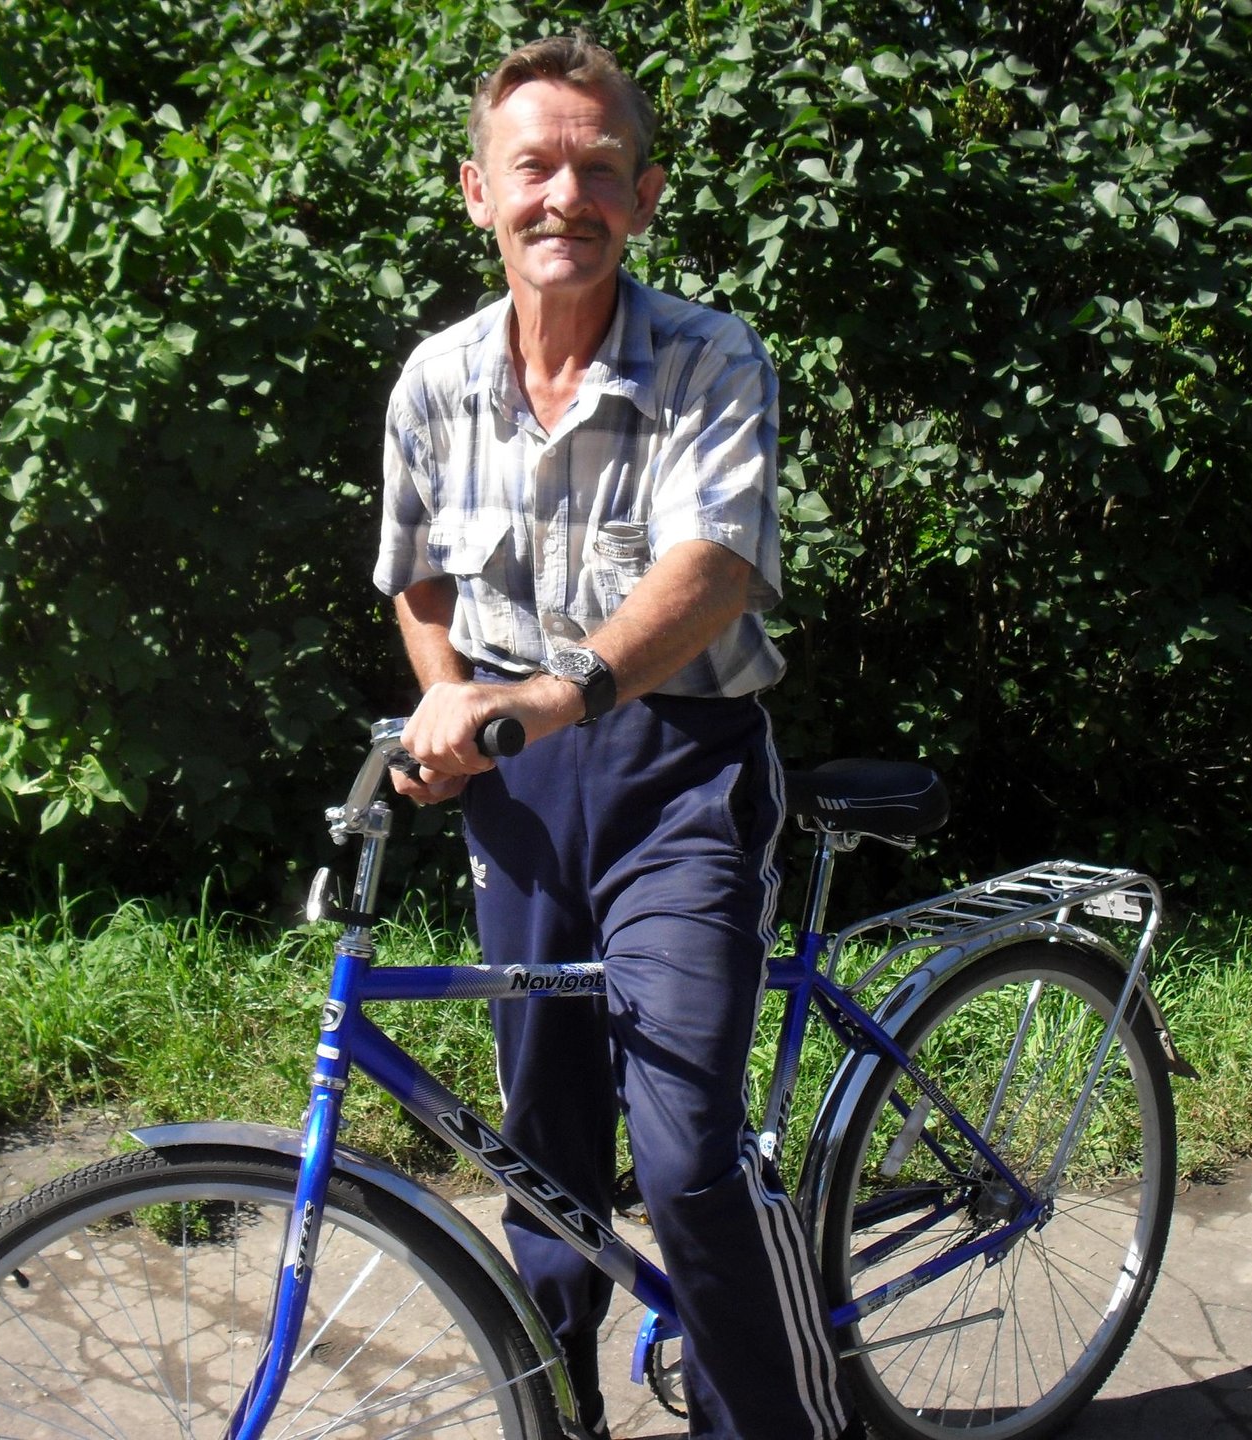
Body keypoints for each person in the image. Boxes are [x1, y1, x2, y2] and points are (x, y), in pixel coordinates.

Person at [373, 34, 857, 1440]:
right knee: (542, 1147)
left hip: (681, 775)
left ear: (642, 196)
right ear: (480, 191)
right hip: (520, 792)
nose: (564, 197)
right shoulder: (435, 381)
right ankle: (558, 1414)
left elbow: (715, 566)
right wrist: (448, 703)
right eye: (534, 166)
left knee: (688, 1152)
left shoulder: (710, 356)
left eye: (598, 168)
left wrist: (558, 690)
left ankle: (772, 1422)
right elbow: (418, 579)